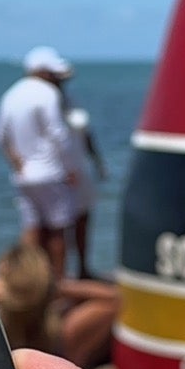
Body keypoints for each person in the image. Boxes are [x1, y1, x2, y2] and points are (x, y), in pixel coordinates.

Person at [0, 49, 82, 280]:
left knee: (31, 230)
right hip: (51, 172)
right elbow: (59, 135)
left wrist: (16, 162)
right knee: (58, 232)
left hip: (25, 175)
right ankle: (57, 284)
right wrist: (71, 168)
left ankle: (27, 279)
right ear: (43, 71)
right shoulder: (48, 94)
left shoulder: (12, 94)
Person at [64, 103, 107, 279]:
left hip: (76, 174)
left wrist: (98, 163)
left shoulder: (74, 114)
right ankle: (73, 271)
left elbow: (88, 140)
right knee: (64, 226)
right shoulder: (73, 115)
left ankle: (80, 269)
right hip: (66, 174)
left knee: (79, 222)